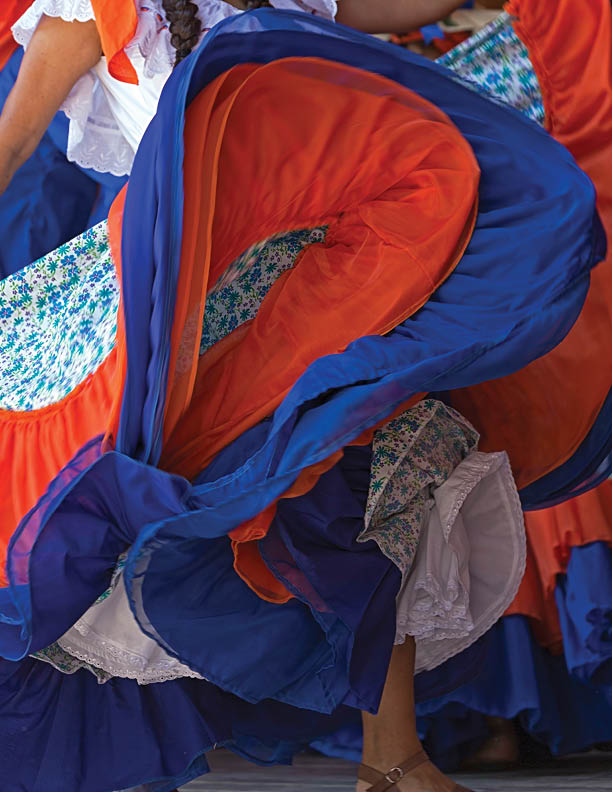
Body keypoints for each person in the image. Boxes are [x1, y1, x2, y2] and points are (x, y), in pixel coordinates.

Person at [0, 3, 609, 792]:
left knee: (379, 476)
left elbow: (405, 9)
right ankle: (388, 757)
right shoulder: (89, 13)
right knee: (104, 529)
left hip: (315, 286)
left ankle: (395, 758)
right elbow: (12, 142)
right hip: (186, 316)